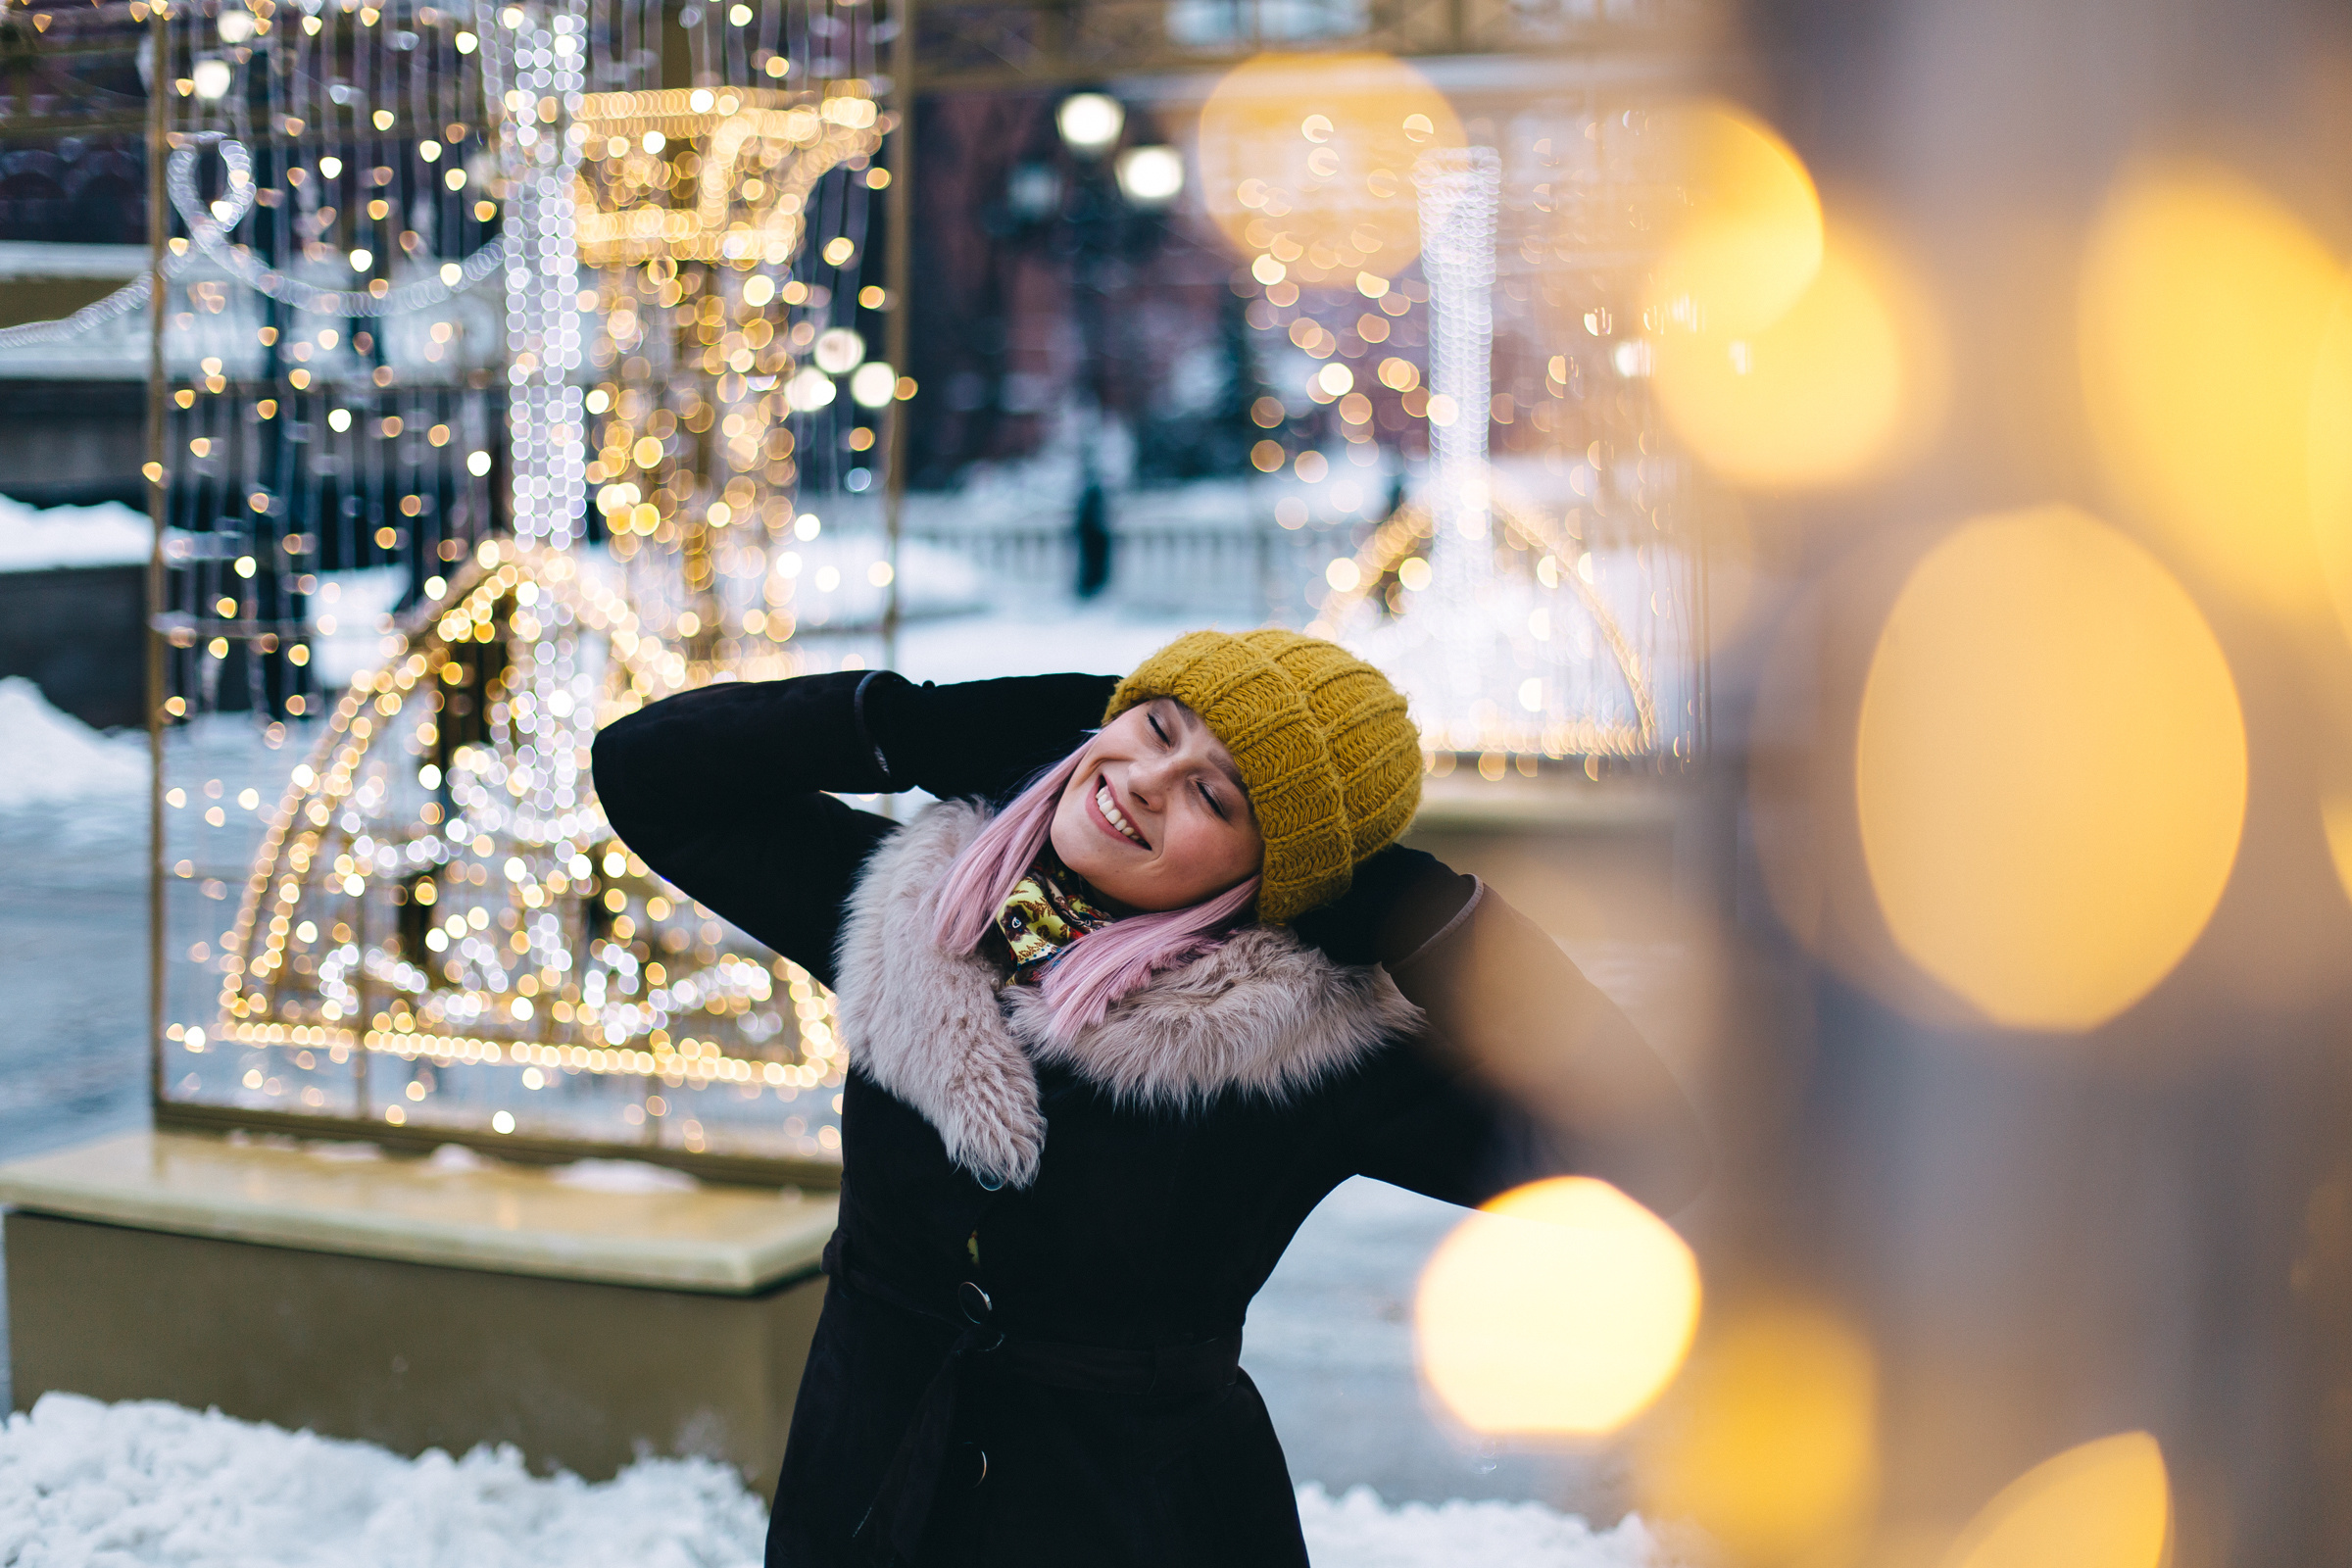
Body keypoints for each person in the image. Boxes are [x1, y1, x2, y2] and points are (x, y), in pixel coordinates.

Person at [591, 629, 1708, 1568]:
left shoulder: (1307, 1049)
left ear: (1272, 875)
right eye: (1155, 727)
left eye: (1212, 796)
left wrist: (1444, 927)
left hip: (1138, 1523)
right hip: (867, 1486)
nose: (1143, 783)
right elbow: (647, 771)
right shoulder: (913, 911)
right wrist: (917, 725)